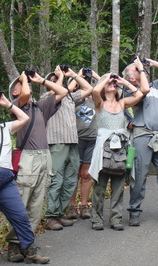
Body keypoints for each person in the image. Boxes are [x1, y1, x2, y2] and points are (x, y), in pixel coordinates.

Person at [0, 91, 49, 266]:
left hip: (6, 179)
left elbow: (24, 118)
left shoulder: (5, 128)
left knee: (20, 215)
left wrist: (7, 103)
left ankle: (29, 249)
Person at [5, 71, 68, 261]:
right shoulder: (17, 106)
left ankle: (28, 246)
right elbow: (24, 94)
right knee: (21, 205)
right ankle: (14, 246)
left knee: (36, 206)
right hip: (27, 159)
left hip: (44, 156)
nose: (27, 86)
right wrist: (23, 78)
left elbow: (62, 91)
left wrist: (41, 80)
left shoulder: (40, 106)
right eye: (22, 85)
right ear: (15, 93)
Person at [89, 57, 149, 231]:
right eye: (110, 84)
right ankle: (96, 218)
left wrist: (122, 81)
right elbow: (94, 90)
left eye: (115, 85)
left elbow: (139, 94)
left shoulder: (122, 103)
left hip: (120, 148)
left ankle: (116, 218)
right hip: (103, 149)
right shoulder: (99, 104)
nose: (112, 85)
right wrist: (107, 78)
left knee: (118, 186)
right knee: (99, 187)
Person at [122, 58, 158, 226]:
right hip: (142, 135)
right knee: (139, 174)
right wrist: (129, 119)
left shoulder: (157, 86)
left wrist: (154, 63)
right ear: (132, 77)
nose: (141, 69)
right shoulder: (131, 90)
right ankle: (134, 211)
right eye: (137, 69)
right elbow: (141, 92)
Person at [43, 66, 93, 231]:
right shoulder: (46, 98)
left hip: (73, 142)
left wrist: (73, 75)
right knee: (56, 179)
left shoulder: (70, 97)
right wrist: (59, 79)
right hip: (56, 142)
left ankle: (59, 212)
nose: (56, 82)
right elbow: (57, 92)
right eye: (52, 81)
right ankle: (50, 216)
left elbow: (89, 89)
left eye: (56, 79)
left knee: (70, 179)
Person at [66, 69, 100, 220]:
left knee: (86, 174)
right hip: (76, 139)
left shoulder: (95, 97)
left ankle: (84, 205)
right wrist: (77, 75)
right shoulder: (71, 98)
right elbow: (66, 90)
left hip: (92, 139)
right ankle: (72, 206)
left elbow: (103, 87)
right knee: (74, 174)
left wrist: (94, 75)